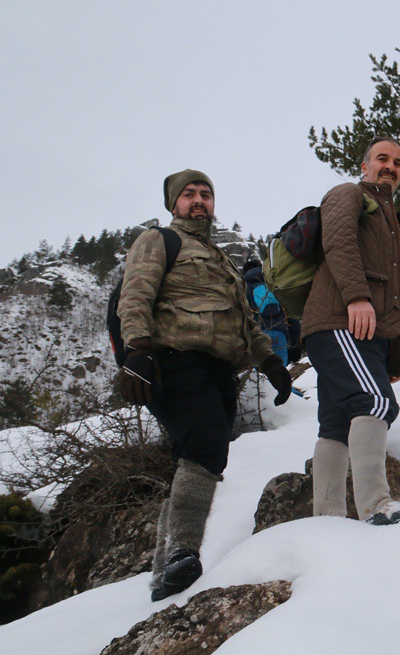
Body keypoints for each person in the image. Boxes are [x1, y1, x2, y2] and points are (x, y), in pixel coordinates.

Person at [116, 169, 293, 602]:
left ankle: (163, 574)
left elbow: (243, 320)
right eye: (190, 194)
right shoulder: (159, 240)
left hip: (219, 369)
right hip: (173, 359)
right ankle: (182, 552)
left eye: (206, 193)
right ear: (173, 203)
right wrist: (136, 350)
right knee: (204, 446)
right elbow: (136, 292)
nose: (199, 200)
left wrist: (269, 360)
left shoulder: (222, 259)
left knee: (199, 455)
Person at [301, 137, 400, 525]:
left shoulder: (389, 221)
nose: (390, 166)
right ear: (365, 166)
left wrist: (394, 357)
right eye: (382, 159)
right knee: (376, 402)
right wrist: (356, 297)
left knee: (336, 423)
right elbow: (338, 241)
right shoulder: (348, 194)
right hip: (342, 320)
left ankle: (326, 519)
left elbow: (397, 297)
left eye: (398, 162)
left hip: (355, 330)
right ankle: (377, 505)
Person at [243, 257, 290, 365]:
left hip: (258, 334)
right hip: (280, 332)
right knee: (280, 371)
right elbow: (288, 311)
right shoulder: (272, 281)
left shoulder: (245, 286)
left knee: (261, 373)